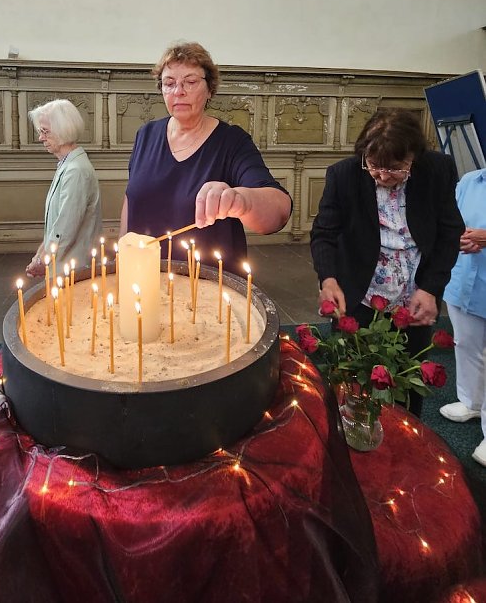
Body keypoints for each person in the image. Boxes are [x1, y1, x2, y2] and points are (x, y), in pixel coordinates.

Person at [310, 108, 464, 415]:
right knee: (352, 382)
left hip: (414, 298)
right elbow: (324, 234)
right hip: (359, 294)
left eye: (395, 169)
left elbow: (449, 234)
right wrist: (328, 280)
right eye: (374, 167)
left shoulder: (438, 169)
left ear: (413, 158)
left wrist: (431, 288)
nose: (382, 176)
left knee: (405, 384)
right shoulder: (344, 175)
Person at [120, 42, 292, 274]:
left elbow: (278, 212)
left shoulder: (231, 142)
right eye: (169, 83)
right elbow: (131, 200)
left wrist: (242, 200)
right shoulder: (146, 134)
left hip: (207, 285)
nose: (178, 91)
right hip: (145, 278)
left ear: (210, 89)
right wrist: (122, 255)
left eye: (190, 82)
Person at [441, 168, 486, 466]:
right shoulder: (471, 181)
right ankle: (471, 401)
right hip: (464, 281)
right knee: (466, 345)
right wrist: (458, 237)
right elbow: (448, 220)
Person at [26, 98, 101, 276]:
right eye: (40, 131)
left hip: (72, 268)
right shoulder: (68, 165)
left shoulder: (76, 170)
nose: (40, 138)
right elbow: (56, 224)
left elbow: (65, 228)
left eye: (45, 131)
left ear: (62, 130)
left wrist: (42, 261)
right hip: (64, 264)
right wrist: (40, 253)